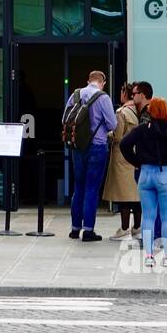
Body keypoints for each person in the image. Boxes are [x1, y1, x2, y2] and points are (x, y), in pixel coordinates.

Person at [120, 96, 167, 267]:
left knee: (148, 216)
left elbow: (124, 145)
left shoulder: (142, 129)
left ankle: (149, 256)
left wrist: (136, 162)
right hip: (165, 173)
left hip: (145, 174)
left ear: (150, 111)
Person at [65, 69, 116, 242]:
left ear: (88, 80)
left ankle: (74, 228)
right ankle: (88, 230)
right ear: (103, 82)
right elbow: (112, 124)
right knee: (91, 189)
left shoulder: (76, 94)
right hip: (97, 146)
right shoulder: (103, 98)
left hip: (77, 147)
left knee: (78, 186)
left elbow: (65, 119)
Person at [104, 82, 141, 240]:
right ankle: (137, 228)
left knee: (123, 195)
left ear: (125, 94)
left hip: (121, 157)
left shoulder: (122, 112)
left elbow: (117, 136)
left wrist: (107, 134)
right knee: (135, 196)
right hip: (135, 156)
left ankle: (124, 229)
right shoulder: (138, 111)